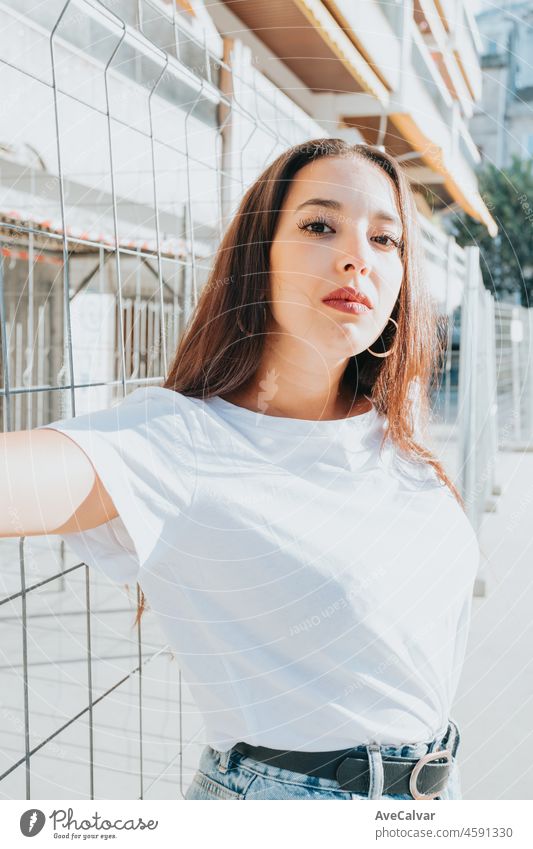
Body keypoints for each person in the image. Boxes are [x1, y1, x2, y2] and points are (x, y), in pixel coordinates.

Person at [0, 138, 479, 801]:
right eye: (319, 225)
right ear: (260, 257)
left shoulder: (396, 431)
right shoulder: (180, 439)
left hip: (435, 793)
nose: (354, 258)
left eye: (383, 239)